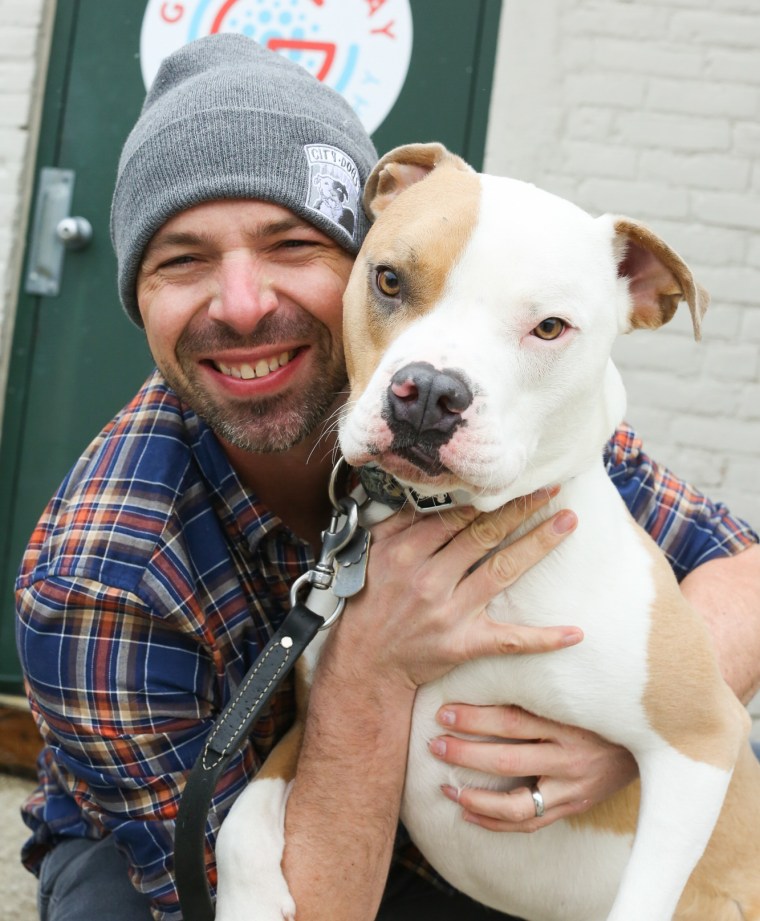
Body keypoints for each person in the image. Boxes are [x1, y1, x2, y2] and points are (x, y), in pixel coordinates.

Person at [15, 33, 760, 921]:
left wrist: (617, 733)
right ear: (135, 294)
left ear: (357, 251)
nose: (244, 303)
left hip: (458, 824)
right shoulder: (101, 573)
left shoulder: (508, 422)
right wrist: (371, 665)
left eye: (291, 243)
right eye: (182, 258)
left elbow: (735, 563)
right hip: (211, 837)